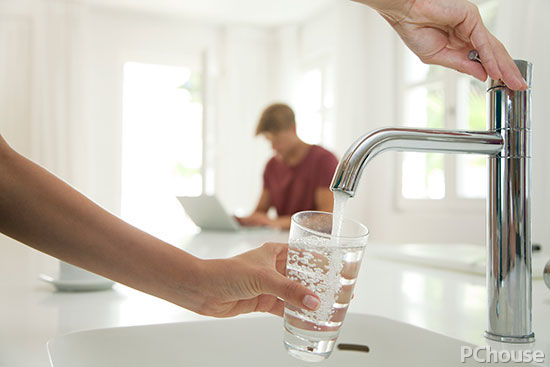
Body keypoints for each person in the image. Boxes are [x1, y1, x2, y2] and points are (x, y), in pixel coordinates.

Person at [0, 0, 526, 320]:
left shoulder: (321, 158)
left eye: (274, 139)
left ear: (289, 129)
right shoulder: (272, 168)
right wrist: (217, 259)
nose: (272, 150)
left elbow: (325, 222)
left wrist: (200, 281)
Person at [236, 104, 338, 230]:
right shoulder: (271, 166)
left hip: (313, 245)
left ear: (293, 129)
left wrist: (274, 222)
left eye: (277, 140)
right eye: (269, 141)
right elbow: (260, 212)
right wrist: (244, 220)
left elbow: (327, 218)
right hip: (281, 242)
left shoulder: (324, 160)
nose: (273, 147)